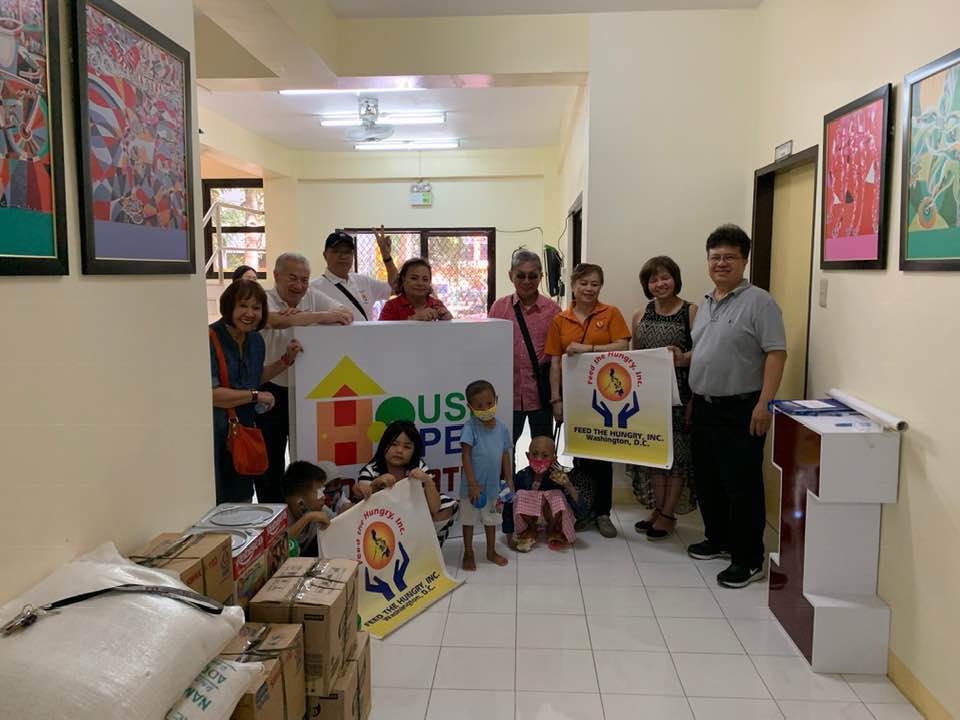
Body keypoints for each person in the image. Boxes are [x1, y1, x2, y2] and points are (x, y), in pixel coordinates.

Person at [687, 224, 787, 589]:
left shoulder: (760, 302)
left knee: (741, 485)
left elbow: (776, 353)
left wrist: (765, 403)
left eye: (730, 257)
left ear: (744, 260)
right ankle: (718, 539)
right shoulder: (707, 302)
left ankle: (748, 559)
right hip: (704, 407)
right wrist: (684, 361)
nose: (721, 263)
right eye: (715, 257)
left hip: (742, 408)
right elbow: (707, 349)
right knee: (708, 479)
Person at [258, 253, 353, 502]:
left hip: (305, 391)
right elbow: (273, 320)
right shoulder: (264, 298)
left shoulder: (311, 295)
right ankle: (274, 514)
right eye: (292, 278)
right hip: (270, 388)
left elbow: (345, 313)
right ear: (276, 276)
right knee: (270, 460)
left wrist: (301, 316)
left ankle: (303, 511)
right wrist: (318, 317)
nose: (299, 286)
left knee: (305, 458)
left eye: (304, 279)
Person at [545, 263, 631, 538]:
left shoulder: (611, 313)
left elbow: (623, 345)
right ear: (573, 286)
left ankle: (603, 512)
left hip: (606, 399)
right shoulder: (560, 320)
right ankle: (583, 510)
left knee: (603, 456)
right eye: (583, 283)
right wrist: (556, 399)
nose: (589, 288)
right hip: (575, 399)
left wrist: (588, 349)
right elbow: (555, 362)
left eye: (595, 284)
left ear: (600, 287)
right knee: (580, 455)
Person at [210, 279, 301, 503]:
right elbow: (212, 395)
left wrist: (285, 360)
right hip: (214, 438)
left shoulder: (256, 340)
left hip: (244, 434)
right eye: (243, 306)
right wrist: (255, 396)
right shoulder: (210, 339)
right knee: (217, 501)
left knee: (242, 499)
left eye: (256, 308)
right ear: (229, 306)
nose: (250, 313)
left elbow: (253, 378)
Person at [629, 256, 698, 540]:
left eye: (665, 277)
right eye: (653, 279)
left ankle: (669, 514)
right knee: (654, 453)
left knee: (678, 457)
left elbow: (704, 352)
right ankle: (658, 509)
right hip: (649, 396)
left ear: (675, 279)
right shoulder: (640, 314)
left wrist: (683, 358)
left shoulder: (691, 311)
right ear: (647, 285)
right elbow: (634, 357)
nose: (660, 284)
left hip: (681, 395)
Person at [488, 249, 562, 444]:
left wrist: (557, 399)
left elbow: (558, 356)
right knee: (504, 448)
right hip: (508, 395)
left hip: (541, 394)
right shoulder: (499, 308)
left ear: (541, 276)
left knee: (544, 449)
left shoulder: (553, 311)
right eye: (521, 275)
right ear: (510, 275)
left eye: (532, 276)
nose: (527, 281)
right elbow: (490, 349)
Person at [355, 420, 459, 546]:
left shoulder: (418, 466)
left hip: (413, 524)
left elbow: (435, 508)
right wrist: (376, 484)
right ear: (384, 446)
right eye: (394, 444)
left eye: (407, 447)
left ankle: (424, 548)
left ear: (414, 451)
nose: (399, 450)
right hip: (383, 526)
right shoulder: (370, 471)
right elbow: (364, 511)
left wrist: (427, 480)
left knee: (446, 504)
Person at [460, 380, 513, 570]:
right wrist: (472, 483)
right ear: (470, 407)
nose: (485, 409)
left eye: (489, 403)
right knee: (468, 520)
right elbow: (465, 455)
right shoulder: (470, 428)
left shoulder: (502, 428)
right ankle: (468, 552)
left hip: (493, 487)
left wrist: (509, 478)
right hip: (471, 487)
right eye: (479, 406)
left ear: (496, 400)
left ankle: (491, 551)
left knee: (492, 520)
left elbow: (505, 454)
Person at [505, 435, 581, 552]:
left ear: (553, 459)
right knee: (519, 495)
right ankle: (531, 529)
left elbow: (580, 509)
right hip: (531, 519)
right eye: (535, 454)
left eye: (545, 456)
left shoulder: (559, 478)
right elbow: (508, 505)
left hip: (551, 518)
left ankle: (552, 530)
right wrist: (509, 534)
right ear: (528, 456)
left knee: (557, 495)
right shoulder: (521, 476)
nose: (539, 459)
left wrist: (568, 485)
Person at [311, 227, 397, 321]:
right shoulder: (312, 288)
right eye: (336, 251)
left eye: (347, 252)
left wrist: (387, 256)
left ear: (352, 256)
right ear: (325, 255)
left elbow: (396, 287)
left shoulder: (364, 281)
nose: (343, 256)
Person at [280, 460, 344, 557]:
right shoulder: (280, 520)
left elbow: (338, 525)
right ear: (300, 502)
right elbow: (278, 548)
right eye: (318, 491)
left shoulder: (321, 509)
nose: (323, 496)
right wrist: (307, 518)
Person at [377, 258, 453, 321]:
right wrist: (414, 319)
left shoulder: (437, 304)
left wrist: (448, 319)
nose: (420, 283)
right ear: (403, 280)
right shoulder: (391, 307)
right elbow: (380, 332)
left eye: (425, 279)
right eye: (414, 278)